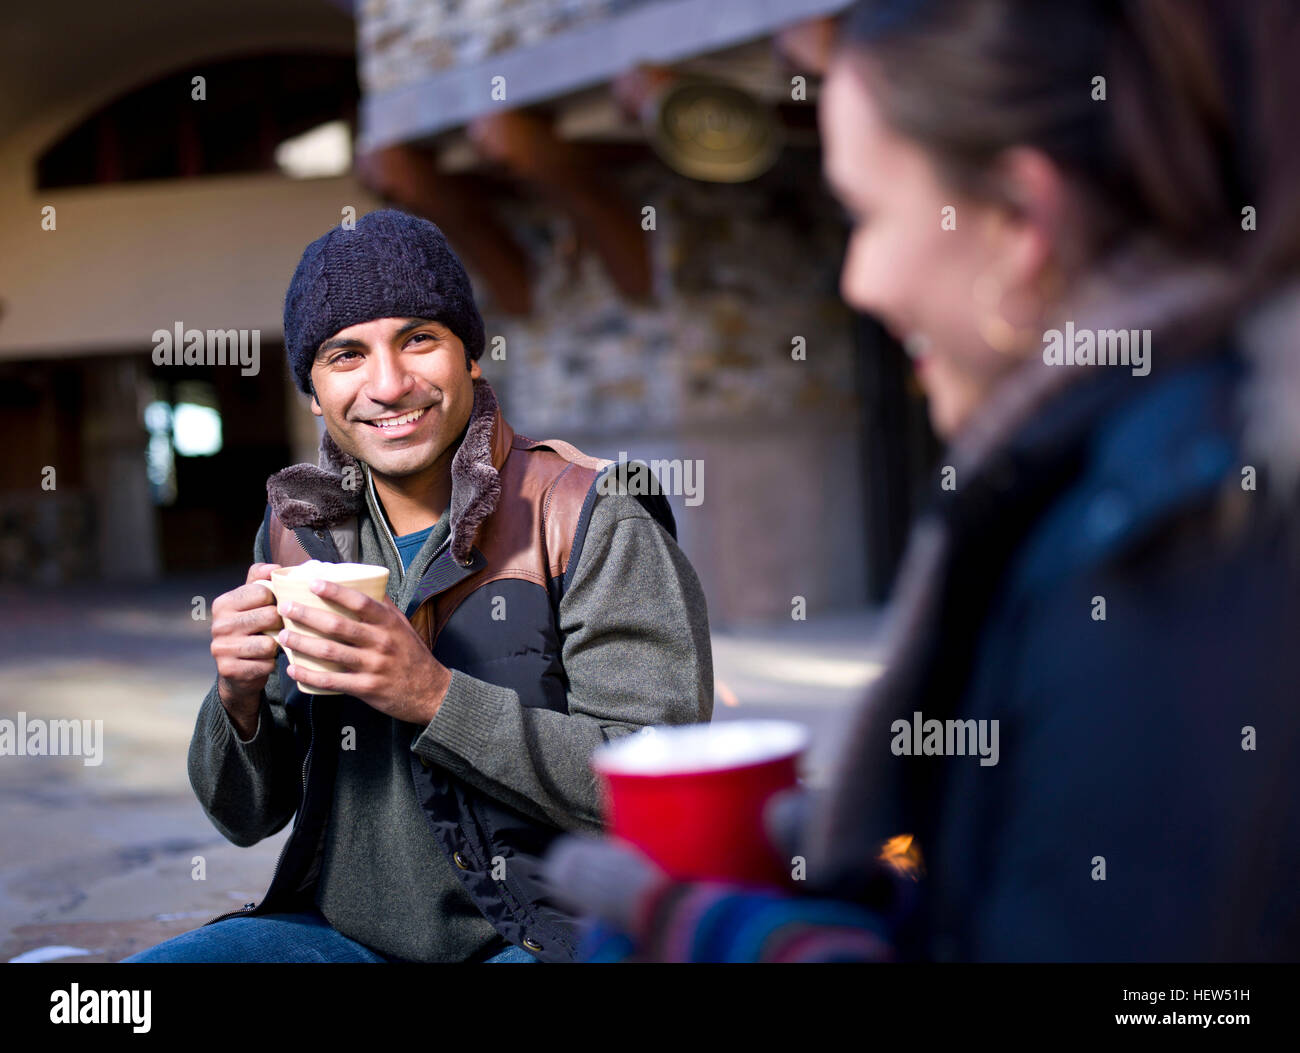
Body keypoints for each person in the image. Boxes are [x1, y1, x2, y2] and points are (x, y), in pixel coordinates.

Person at [542, 0, 1300, 961]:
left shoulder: (1163, 540)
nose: (857, 280)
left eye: (864, 214)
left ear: (1021, 220)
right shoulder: (1128, 465)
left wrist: (716, 934)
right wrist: (914, 869)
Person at [122, 208, 714, 963]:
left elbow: (663, 791)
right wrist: (236, 702)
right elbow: (243, 817)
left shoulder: (592, 512)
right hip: (343, 938)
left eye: (418, 339)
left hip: (549, 936)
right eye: (346, 355)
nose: (389, 384)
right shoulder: (297, 530)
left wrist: (434, 696)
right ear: (312, 390)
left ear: (470, 355)